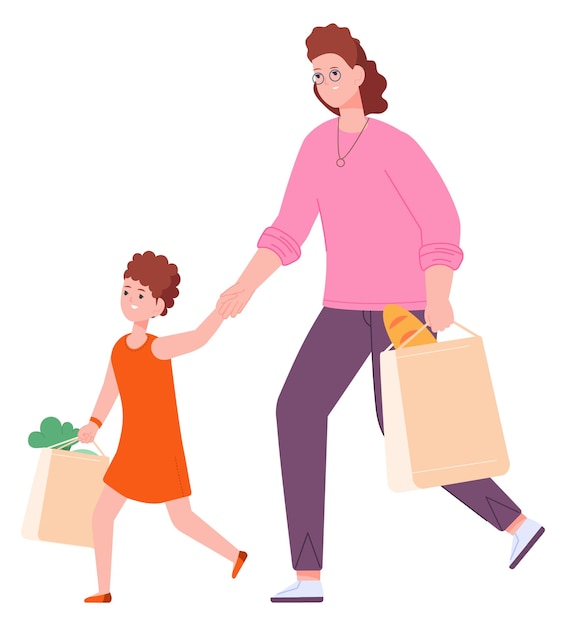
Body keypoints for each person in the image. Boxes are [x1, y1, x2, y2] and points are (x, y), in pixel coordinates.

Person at [216, 24, 544, 603]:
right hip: (341, 310)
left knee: (407, 429)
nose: (323, 84)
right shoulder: (315, 146)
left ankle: (516, 525)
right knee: (295, 410)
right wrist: (245, 286)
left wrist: (437, 291)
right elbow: (288, 230)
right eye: (316, 76)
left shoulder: (395, 145)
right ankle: (308, 575)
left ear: (361, 75)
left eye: (333, 73)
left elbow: (441, 223)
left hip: (402, 309)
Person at [78, 251, 247, 603]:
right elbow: (109, 390)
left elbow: (200, 338)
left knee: (182, 519)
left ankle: (235, 555)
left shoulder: (159, 349)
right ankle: (103, 590)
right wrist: (94, 423)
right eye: (127, 291)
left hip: (160, 449)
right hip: (131, 449)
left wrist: (221, 310)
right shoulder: (118, 349)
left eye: (140, 296)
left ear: (157, 307)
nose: (131, 301)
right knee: (101, 515)